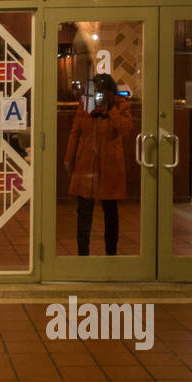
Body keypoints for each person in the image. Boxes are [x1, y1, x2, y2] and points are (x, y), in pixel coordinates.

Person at [64, 73, 134, 256]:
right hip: (86, 165)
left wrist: (111, 109)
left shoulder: (121, 106)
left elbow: (125, 129)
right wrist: (68, 159)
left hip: (110, 167)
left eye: (102, 91)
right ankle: (83, 255)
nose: (98, 96)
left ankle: (111, 254)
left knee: (110, 213)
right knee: (83, 212)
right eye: (95, 91)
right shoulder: (85, 106)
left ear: (111, 92)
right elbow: (75, 132)